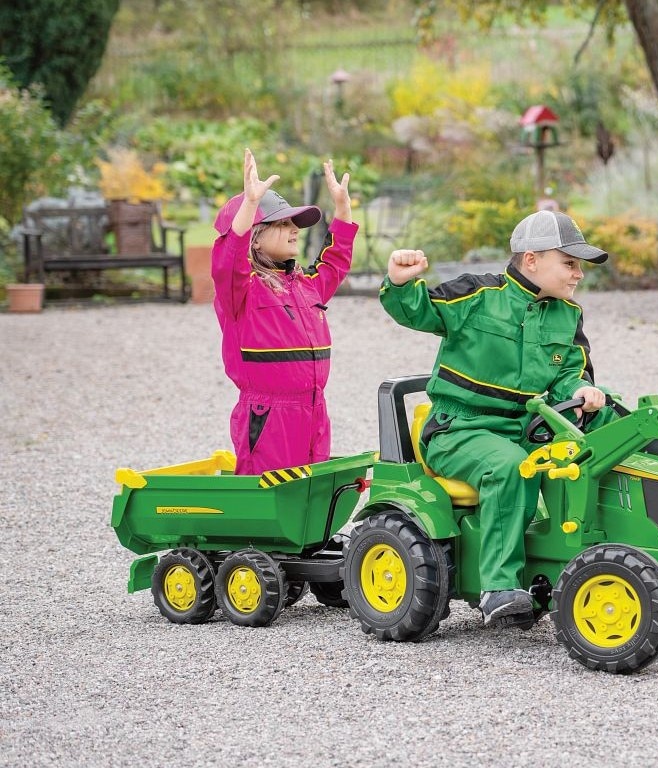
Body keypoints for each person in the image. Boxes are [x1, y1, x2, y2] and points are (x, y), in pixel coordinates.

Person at [380, 210, 610, 626]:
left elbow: (569, 374)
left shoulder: (568, 315)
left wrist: (580, 392)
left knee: (594, 446)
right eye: (570, 263)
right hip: (459, 429)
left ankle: (582, 560)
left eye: (580, 266)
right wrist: (399, 282)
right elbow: (419, 311)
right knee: (510, 466)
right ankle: (497, 587)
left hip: (522, 426)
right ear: (532, 259)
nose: (578, 275)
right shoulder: (476, 295)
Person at [211, 148, 356, 476]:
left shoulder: (306, 285)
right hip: (268, 418)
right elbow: (228, 261)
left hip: (314, 410)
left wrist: (343, 209)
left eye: (295, 223)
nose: (294, 230)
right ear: (256, 239)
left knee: (310, 498)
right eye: (282, 223)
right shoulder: (242, 291)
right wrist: (249, 205)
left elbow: (334, 263)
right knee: (268, 505)